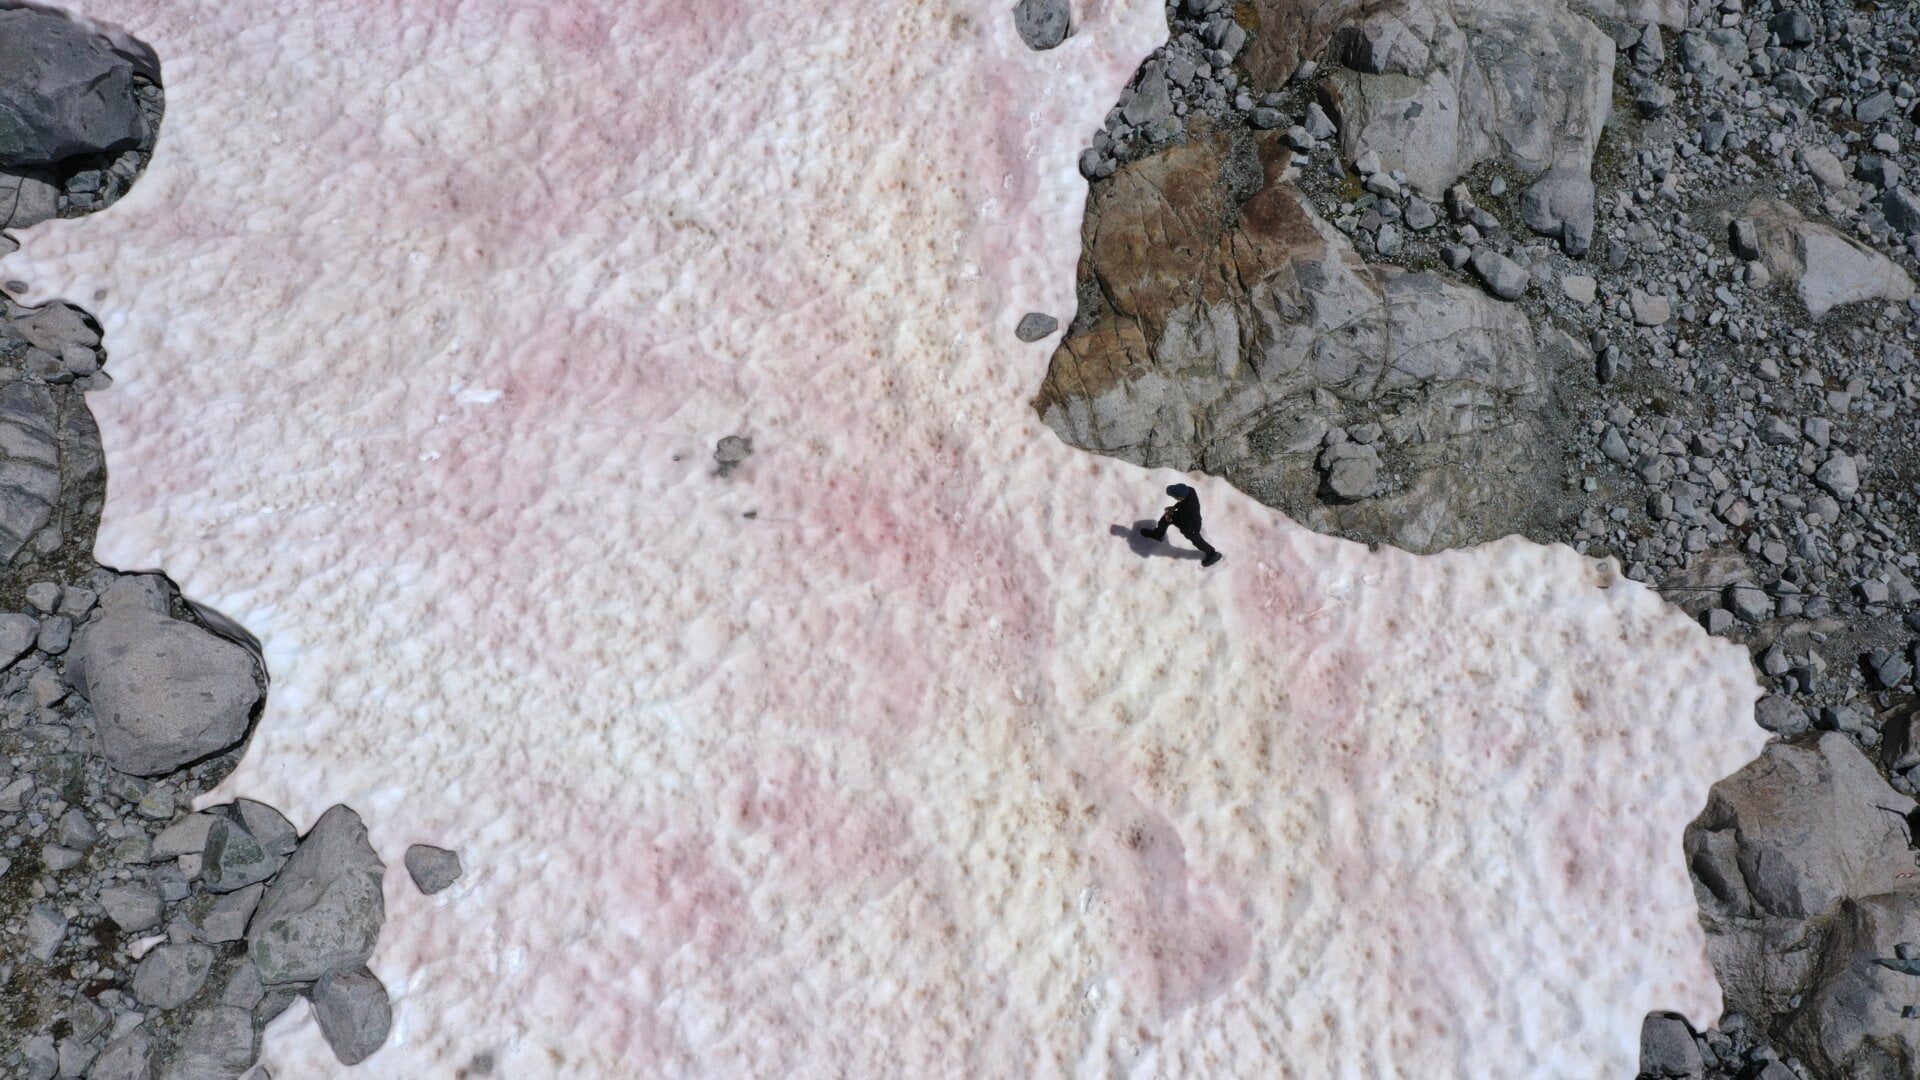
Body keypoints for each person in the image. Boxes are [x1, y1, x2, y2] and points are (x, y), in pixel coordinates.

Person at [1141, 483, 1221, 566]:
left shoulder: (1187, 510)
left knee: (1197, 541)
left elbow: (1185, 528)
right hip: (1186, 516)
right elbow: (1184, 502)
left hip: (1192, 527)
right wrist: (1175, 507)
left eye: (1174, 497)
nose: (1174, 498)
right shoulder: (1190, 490)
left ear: (1179, 497)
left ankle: (1213, 554)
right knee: (1165, 519)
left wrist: (1171, 519)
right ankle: (1158, 535)